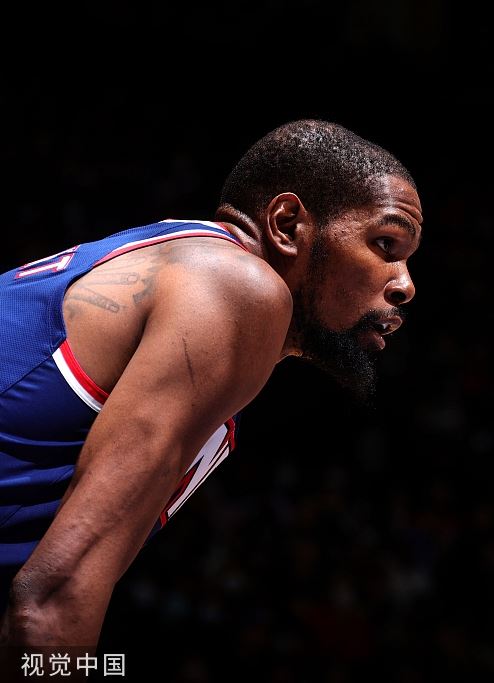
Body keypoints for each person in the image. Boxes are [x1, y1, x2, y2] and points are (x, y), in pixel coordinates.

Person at [0, 119, 423, 648]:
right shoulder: (237, 287)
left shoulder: (184, 261)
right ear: (287, 224)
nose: (405, 285)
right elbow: (51, 599)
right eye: (385, 243)